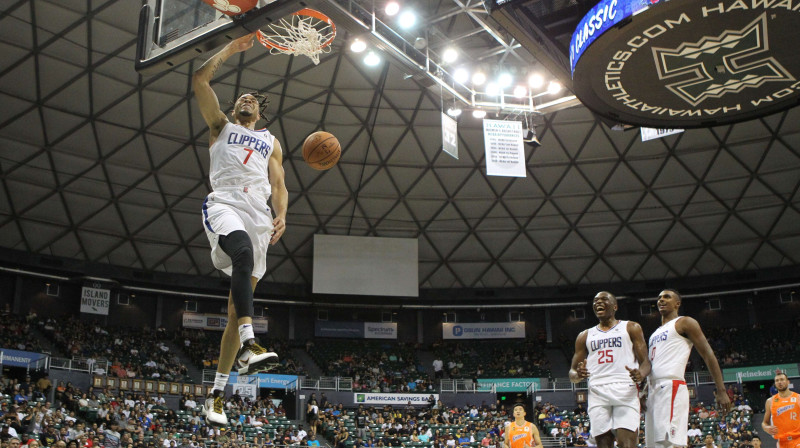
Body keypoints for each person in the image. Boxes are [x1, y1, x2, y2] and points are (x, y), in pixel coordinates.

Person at [192, 32, 288, 426]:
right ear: (234, 108)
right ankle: (251, 345)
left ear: (261, 112)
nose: (246, 100)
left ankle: (215, 394)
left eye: (253, 99)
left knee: (236, 311)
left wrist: (282, 214)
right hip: (226, 203)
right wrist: (230, 49)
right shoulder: (220, 126)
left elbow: (279, 185)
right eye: (241, 98)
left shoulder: (271, 142)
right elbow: (200, 79)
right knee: (242, 252)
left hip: (260, 215)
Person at [645, 289, 731, 448]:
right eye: (659, 298)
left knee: (671, 444)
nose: (661, 300)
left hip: (671, 386)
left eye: (666, 297)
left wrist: (721, 390)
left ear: (677, 303)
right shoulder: (654, 333)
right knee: (654, 445)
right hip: (652, 390)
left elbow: (708, 354)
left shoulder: (684, 322)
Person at [569, 291, 651, 448]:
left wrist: (640, 374)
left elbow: (646, 362)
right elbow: (572, 373)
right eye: (595, 301)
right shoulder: (584, 335)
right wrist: (578, 375)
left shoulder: (631, 327)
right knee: (603, 444)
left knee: (626, 444)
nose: (598, 302)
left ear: (615, 306)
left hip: (625, 387)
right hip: (597, 390)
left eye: (603, 299)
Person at [762, 372, 800, 448]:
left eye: (782, 379)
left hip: (798, 440)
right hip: (781, 442)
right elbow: (764, 423)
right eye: (777, 380)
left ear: (788, 382)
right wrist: (766, 428)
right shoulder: (770, 401)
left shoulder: (798, 398)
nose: (779, 382)